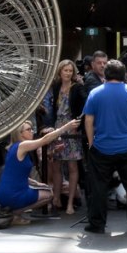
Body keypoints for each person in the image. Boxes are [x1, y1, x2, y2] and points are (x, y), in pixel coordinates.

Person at [82, 58, 127, 234]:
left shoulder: (95, 94)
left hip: (102, 147)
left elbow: (89, 121)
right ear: (124, 75)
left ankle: (97, 224)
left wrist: (91, 143)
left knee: (98, 187)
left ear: (106, 74)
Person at [0, 118, 79, 225]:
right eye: (28, 130)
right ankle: (14, 214)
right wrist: (66, 127)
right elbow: (44, 140)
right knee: (49, 194)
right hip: (12, 194)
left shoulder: (14, 147)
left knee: (45, 188)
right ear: (20, 134)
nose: (32, 132)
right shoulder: (22, 146)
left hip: (3, 194)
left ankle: (11, 212)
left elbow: (16, 173)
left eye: (32, 129)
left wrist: (36, 183)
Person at [48, 59, 86, 215]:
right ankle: (56, 198)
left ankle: (70, 202)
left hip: (71, 130)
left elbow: (86, 105)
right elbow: (53, 108)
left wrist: (79, 123)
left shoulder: (77, 88)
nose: (68, 73)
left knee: (72, 166)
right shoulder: (56, 86)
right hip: (58, 128)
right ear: (60, 71)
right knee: (56, 165)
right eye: (66, 70)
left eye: (71, 71)